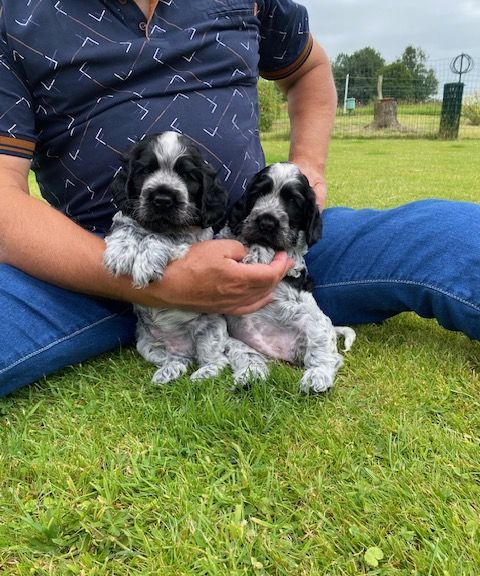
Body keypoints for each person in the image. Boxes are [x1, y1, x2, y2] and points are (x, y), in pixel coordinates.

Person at [0, 0, 478, 397]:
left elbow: (308, 69)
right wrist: (154, 281)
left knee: (457, 238)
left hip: (258, 247)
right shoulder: (15, 15)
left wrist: (308, 167)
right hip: (92, 268)